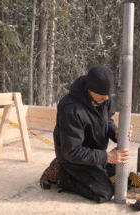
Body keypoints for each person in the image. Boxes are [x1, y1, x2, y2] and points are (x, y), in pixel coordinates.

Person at [40, 65, 132, 203]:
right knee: (105, 192)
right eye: (102, 94)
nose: (106, 98)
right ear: (90, 89)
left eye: (107, 93)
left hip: (93, 154)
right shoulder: (71, 109)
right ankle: (61, 174)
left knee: (121, 174)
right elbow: (72, 151)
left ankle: (95, 166)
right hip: (73, 159)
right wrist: (106, 157)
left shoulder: (102, 97)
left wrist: (115, 133)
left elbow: (107, 119)